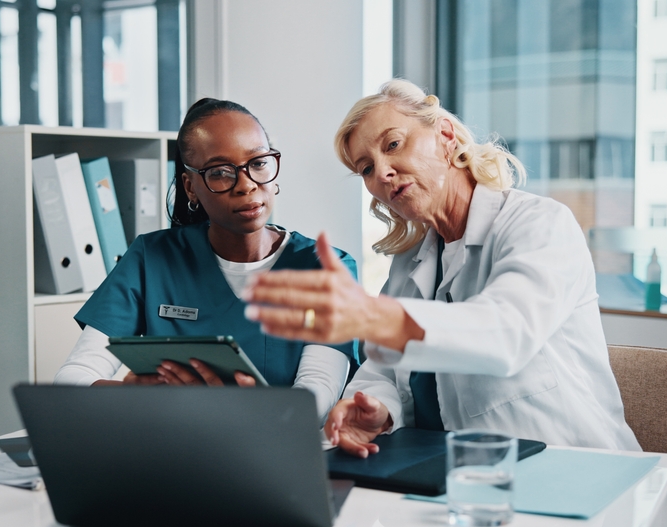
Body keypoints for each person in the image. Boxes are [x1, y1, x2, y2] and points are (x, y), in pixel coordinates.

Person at [243, 79, 640, 456]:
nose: (382, 173)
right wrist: (377, 410)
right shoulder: (411, 264)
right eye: (365, 167)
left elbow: (507, 333)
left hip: (578, 468)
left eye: (393, 144)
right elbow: (384, 373)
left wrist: (379, 318)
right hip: (470, 478)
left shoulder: (540, 224)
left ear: (446, 136)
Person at [55, 98, 358, 419]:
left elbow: (316, 397)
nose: (246, 185)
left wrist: (250, 406)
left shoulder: (325, 267)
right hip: (177, 449)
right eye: (221, 172)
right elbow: (72, 379)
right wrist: (136, 396)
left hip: (276, 450)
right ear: (191, 187)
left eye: (258, 163)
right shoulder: (151, 258)